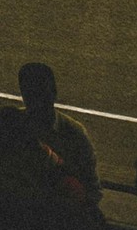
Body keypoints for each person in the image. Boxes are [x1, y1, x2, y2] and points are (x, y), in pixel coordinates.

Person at [16, 61, 100, 207]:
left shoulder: (75, 134)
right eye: (31, 94)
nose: (37, 102)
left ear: (53, 92)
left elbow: (92, 189)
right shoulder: (13, 125)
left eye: (40, 94)